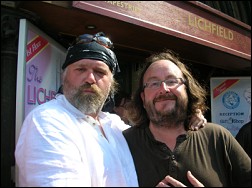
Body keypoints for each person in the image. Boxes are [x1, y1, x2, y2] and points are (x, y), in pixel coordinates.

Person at [15, 32, 206, 187]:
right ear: (64, 77)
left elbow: (159, 128)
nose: (90, 78)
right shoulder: (48, 121)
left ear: (111, 83)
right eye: (80, 69)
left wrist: (188, 113)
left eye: (100, 72)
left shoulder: (114, 124)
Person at [123, 49, 251, 187]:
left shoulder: (217, 137)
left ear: (187, 90)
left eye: (172, 81)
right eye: (154, 83)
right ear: (143, 98)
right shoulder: (124, 144)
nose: (164, 89)